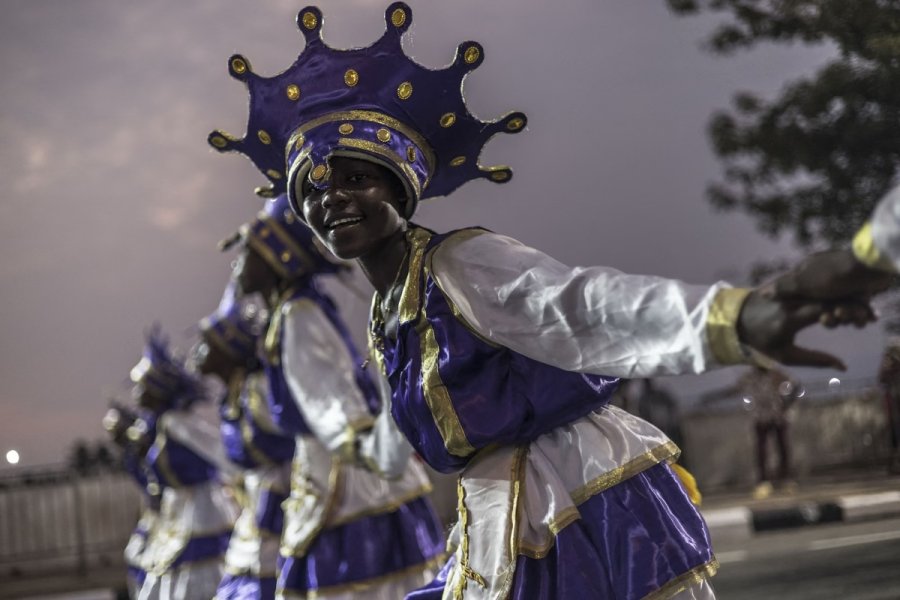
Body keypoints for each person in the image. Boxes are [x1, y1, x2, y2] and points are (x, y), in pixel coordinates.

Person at [208, 4, 871, 597]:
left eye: (356, 178)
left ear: (399, 186)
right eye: (315, 194)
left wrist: (737, 317)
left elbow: (584, 308)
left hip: (581, 491)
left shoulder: (458, 263)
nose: (334, 200)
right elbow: (391, 433)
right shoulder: (390, 313)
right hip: (498, 506)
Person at [226, 194, 445, 598]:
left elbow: (327, 398)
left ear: (278, 257)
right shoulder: (295, 313)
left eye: (249, 252)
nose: (238, 263)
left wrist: (362, 444)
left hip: (345, 476)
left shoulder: (297, 315)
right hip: (338, 467)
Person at [193, 284, 295, 599]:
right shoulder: (233, 397)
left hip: (283, 502)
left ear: (227, 348)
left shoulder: (259, 390)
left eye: (206, 344)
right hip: (255, 505)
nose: (198, 352)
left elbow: (297, 439)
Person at [130, 327, 239, 600]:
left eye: (142, 387)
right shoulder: (161, 426)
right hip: (179, 512)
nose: (136, 395)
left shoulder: (176, 422)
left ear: (156, 390)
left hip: (201, 512)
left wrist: (248, 477)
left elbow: (218, 450)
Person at [102, 403, 160, 599]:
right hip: (154, 514)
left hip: (170, 513)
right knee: (135, 556)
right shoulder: (130, 455)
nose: (115, 439)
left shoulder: (148, 446)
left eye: (117, 432)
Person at [736, 366, 798, 498]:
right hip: (761, 417)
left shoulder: (778, 374)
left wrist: (785, 406)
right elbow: (738, 388)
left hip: (779, 416)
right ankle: (763, 482)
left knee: (782, 448)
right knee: (761, 450)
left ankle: (786, 480)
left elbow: (794, 388)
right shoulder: (751, 377)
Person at [877, 341, 900, 473]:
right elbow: (881, 379)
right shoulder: (887, 368)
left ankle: (894, 464)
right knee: (894, 436)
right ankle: (894, 464)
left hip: (895, 405)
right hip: (893, 407)